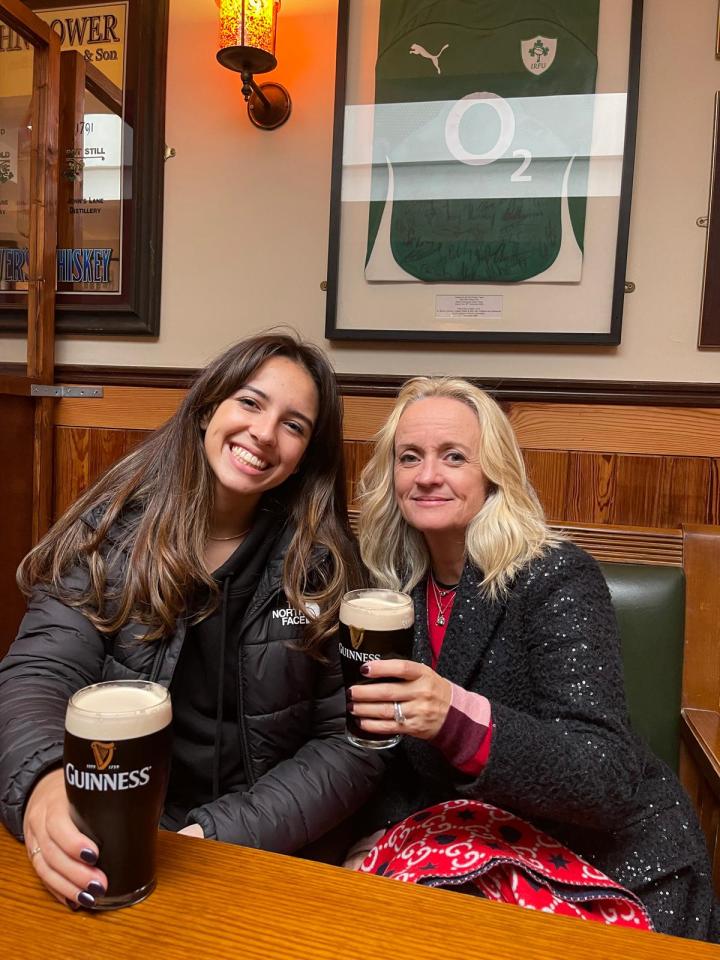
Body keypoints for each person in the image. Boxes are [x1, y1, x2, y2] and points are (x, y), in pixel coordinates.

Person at [0, 332, 383, 910]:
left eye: (294, 425)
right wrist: (44, 783)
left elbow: (350, 742)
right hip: (113, 835)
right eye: (250, 403)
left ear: (308, 455)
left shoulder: (322, 569)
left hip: (263, 845)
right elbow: (36, 673)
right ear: (208, 407)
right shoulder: (109, 535)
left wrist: (219, 833)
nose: (263, 432)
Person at [347, 376, 719, 942]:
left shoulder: (555, 576)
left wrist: (457, 717)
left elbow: (605, 775)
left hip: (607, 858)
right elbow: (393, 754)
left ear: (493, 473)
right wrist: (377, 831)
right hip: (478, 846)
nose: (427, 475)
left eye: (454, 457)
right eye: (410, 457)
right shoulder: (389, 587)